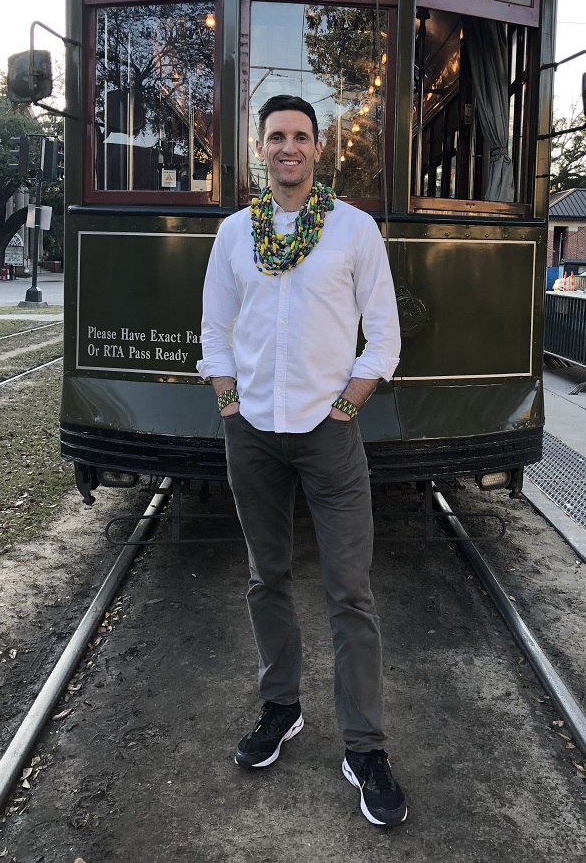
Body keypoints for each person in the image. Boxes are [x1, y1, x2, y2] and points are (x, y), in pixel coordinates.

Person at [197, 94, 406, 827]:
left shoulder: (353, 230)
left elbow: (383, 337)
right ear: (260, 149)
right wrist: (229, 405)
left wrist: (344, 409)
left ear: (320, 150)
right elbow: (214, 331)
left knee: (351, 592)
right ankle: (281, 709)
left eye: (301, 137)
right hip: (251, 432)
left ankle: (364, 748)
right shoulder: (233, 234)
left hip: (328, 434)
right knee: (267, 577)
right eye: (276, 136)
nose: (289, 148)